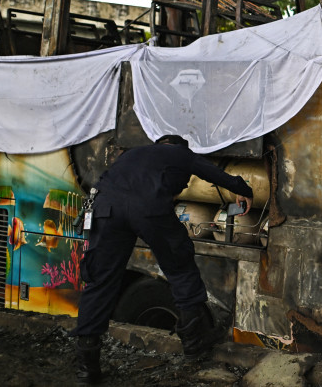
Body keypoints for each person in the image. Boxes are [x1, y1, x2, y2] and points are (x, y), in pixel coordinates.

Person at [73, 134, 253, 383]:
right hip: (149, 209)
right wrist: (243, 189)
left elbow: (105, 183)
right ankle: (193, 342)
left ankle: (87, 366)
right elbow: (215, 174)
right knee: (179, 267)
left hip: (107, 209)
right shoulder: (179, 154)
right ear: (178, 147)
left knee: (100, 280)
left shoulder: (131, 154)